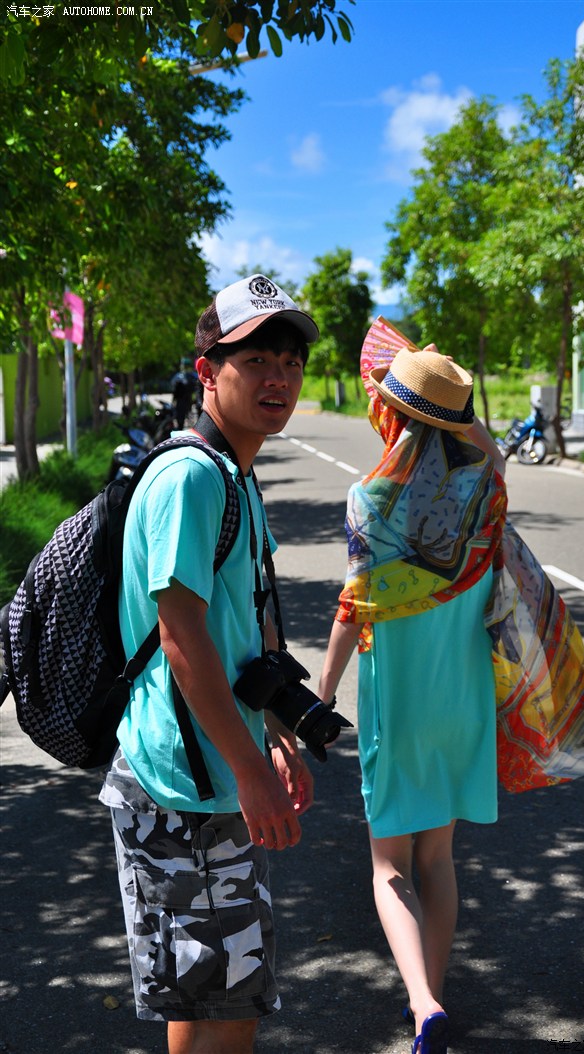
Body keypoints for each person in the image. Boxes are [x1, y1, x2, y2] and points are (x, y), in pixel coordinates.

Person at [100, 273, 320, 1054]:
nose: (278, 378)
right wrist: (250, 769)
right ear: (206, 372)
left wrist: (278, 735)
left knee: (210, 1001)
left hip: (210, 775)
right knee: (226, 1009)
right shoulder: (191, 476)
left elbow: (245, 631)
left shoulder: (234, 474)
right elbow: (183, 638)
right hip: (181, 787)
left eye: (290, 362)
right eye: (255, 360)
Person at [318, 343, 508, 1054]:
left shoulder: (370, 499)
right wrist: (458, 415)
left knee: (389, 864)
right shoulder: (488, 489)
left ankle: (423, 1003)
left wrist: (321, 694)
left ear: (391, 415)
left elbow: (353, 610)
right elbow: (487, 447)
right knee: (439, 858)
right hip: (464, 696)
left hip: (398, 701)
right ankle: (432, 995)